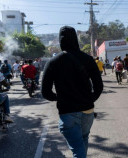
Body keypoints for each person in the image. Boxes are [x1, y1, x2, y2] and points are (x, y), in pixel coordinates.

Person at [41, 26, 103, 158]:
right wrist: (90, 99)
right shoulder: (88, 59)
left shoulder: (53, 62)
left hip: (67, 112)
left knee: (77, 149)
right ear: (76, 39)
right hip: (88, 111)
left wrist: (58, 97)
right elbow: (99, 86)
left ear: (60, 40)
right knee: (82, 141)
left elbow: (45, 92)